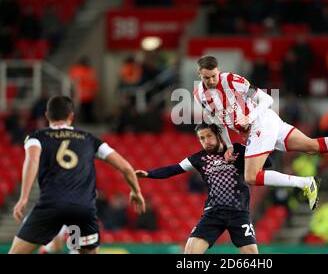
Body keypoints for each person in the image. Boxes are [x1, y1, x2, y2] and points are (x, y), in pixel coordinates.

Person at [193, 55, 328, 211]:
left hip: (261, 122)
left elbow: (267, 100)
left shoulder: (231, 80)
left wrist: (249, 117)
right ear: (199, 74)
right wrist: (228, 145)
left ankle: (305, 183)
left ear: (218, 71)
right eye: (206, 77)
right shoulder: (199, 95)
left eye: (214, 76)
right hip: (264, 125)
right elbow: (218, 120)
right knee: (312, 147)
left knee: (251, 177)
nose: (211, 80)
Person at [9, 96, 145, 254]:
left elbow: (32, 161)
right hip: (83, 208)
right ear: (71, 116)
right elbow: (126, 168)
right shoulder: (90, 140)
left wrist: (24, 197)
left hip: (51, 206)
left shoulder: (37, 138)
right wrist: (136, 192)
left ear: (47, 116)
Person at [136, 123, 273, 254]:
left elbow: (267, 163)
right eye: (202, 138)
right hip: (213, 213)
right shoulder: (199, 158)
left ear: (219, 135)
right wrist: (149, 174)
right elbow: (174, 169)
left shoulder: (237, 150)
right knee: (190, 252)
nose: (206, 141)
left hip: (239, 212)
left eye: (209, 136)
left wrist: (252, 148)